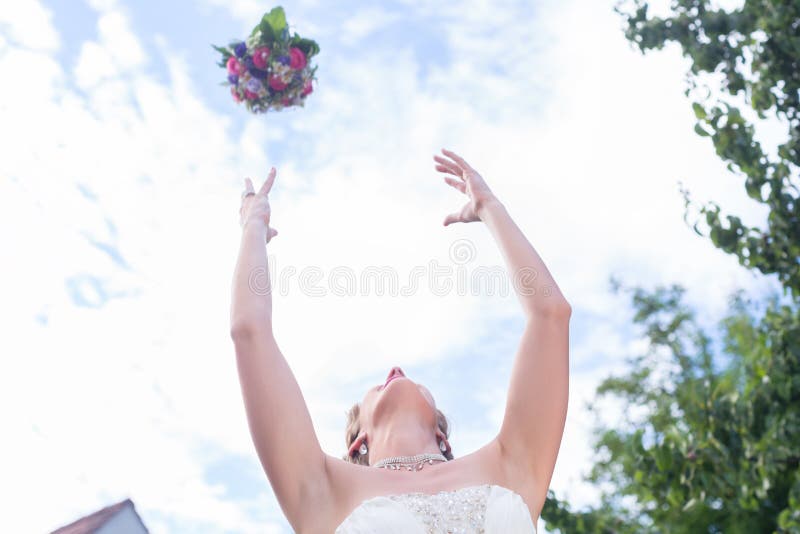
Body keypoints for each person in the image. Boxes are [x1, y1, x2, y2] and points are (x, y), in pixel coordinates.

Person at [230, 148, 571, 533]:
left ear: (442, 435)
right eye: (374, 388)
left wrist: (490, 208)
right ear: (359, 443)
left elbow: (551, 316)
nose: (395, 370)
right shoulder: (323, 489)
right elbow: (249, 332)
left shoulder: (511, 462)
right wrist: (252, 228)